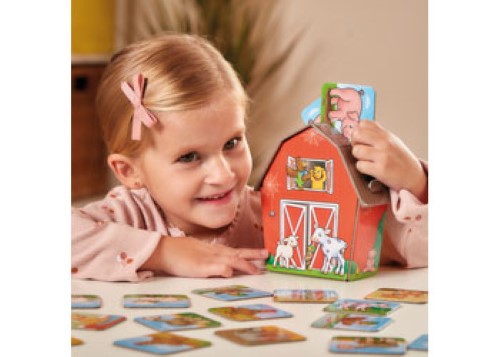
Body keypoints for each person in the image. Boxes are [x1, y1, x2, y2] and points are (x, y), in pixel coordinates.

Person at [72, 33, 427, 282]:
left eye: (232, 143)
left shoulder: (279, 211)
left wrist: (418, 183)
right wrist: (165, 252)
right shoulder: (130, 213)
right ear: (129, 171)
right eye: (190, 157)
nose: (223, 174)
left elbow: (417, 248)